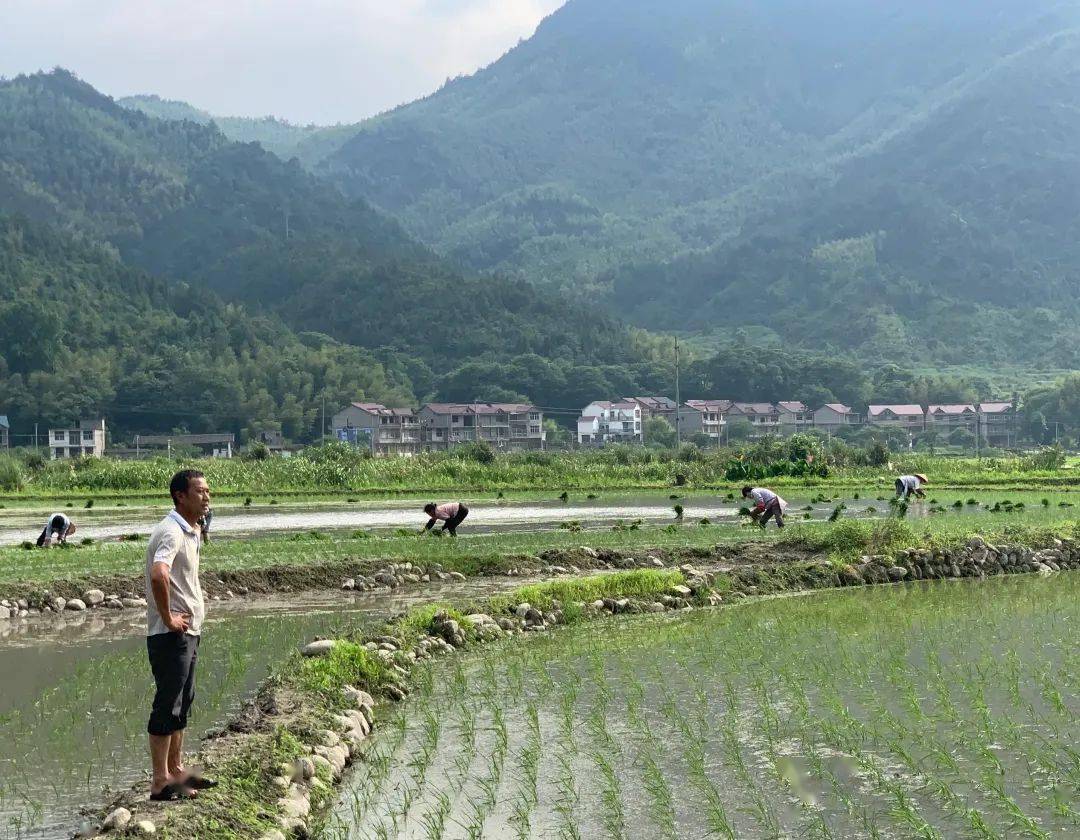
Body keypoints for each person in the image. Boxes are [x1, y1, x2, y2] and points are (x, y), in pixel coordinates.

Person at [145, 469, 216, 801]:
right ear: (180, 496)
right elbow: (159, 574)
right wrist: (169, 618)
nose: (206, 497)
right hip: (171, 635)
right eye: (200, 492)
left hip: (188, 632)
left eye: (208, 492)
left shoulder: (191, 530)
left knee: (182, 702)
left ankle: (176, 770)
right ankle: (160, 780)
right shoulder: (171, 532)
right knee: (167, 703)